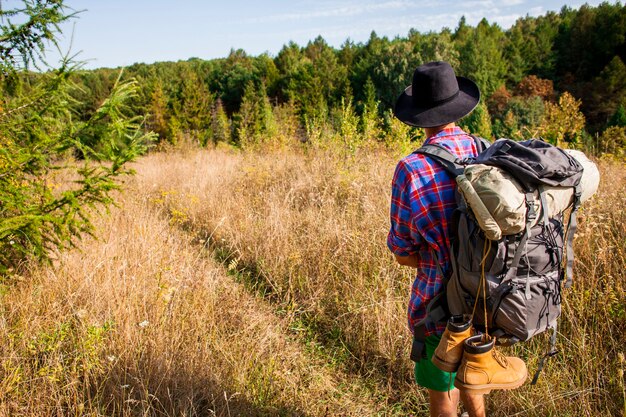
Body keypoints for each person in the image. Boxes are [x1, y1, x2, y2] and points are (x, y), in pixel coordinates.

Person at [387, 61, 486, 417]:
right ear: (457, 105)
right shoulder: (484, 149)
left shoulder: (411, 168)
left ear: (419, 117)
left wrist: (438, 258)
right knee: (474, 378)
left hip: (438, 304)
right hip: (491, 299)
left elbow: (401, 251)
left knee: (441, 393)